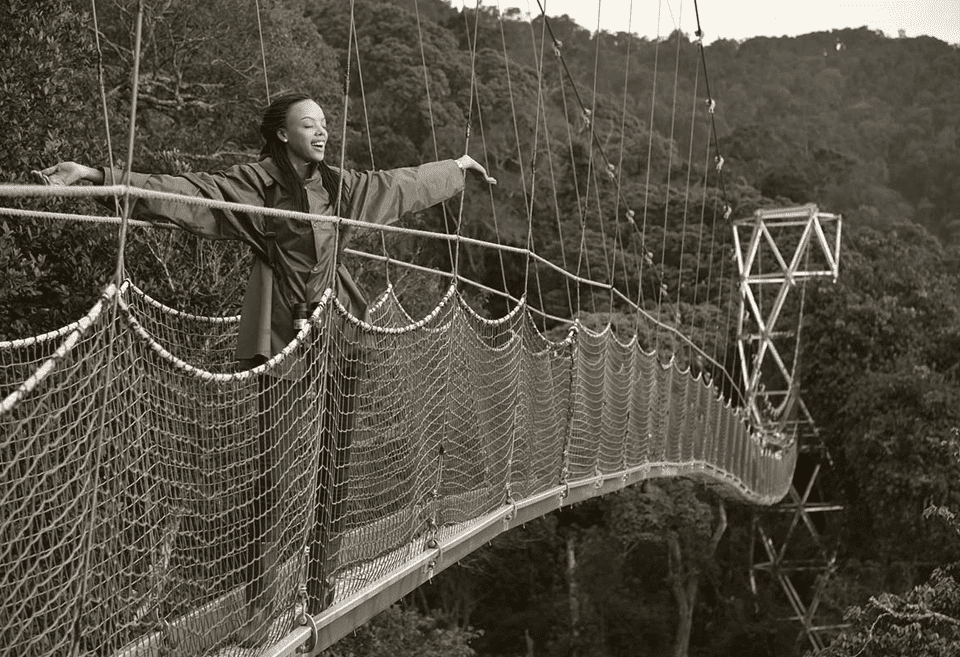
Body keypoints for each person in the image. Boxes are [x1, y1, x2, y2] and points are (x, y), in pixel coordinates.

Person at [38, 92, 496, 634]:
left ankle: (318, 585)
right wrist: (96, 176)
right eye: (309, 124)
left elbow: (399, 185)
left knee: (335, 466)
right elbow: (190, 193)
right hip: (280, 331)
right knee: (272, 472)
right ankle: (259, 608)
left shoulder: (338, 187)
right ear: (282, 133)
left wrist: (457, 169)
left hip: (340, 327)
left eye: (325, 124)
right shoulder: (257, 184)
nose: (321, 132)